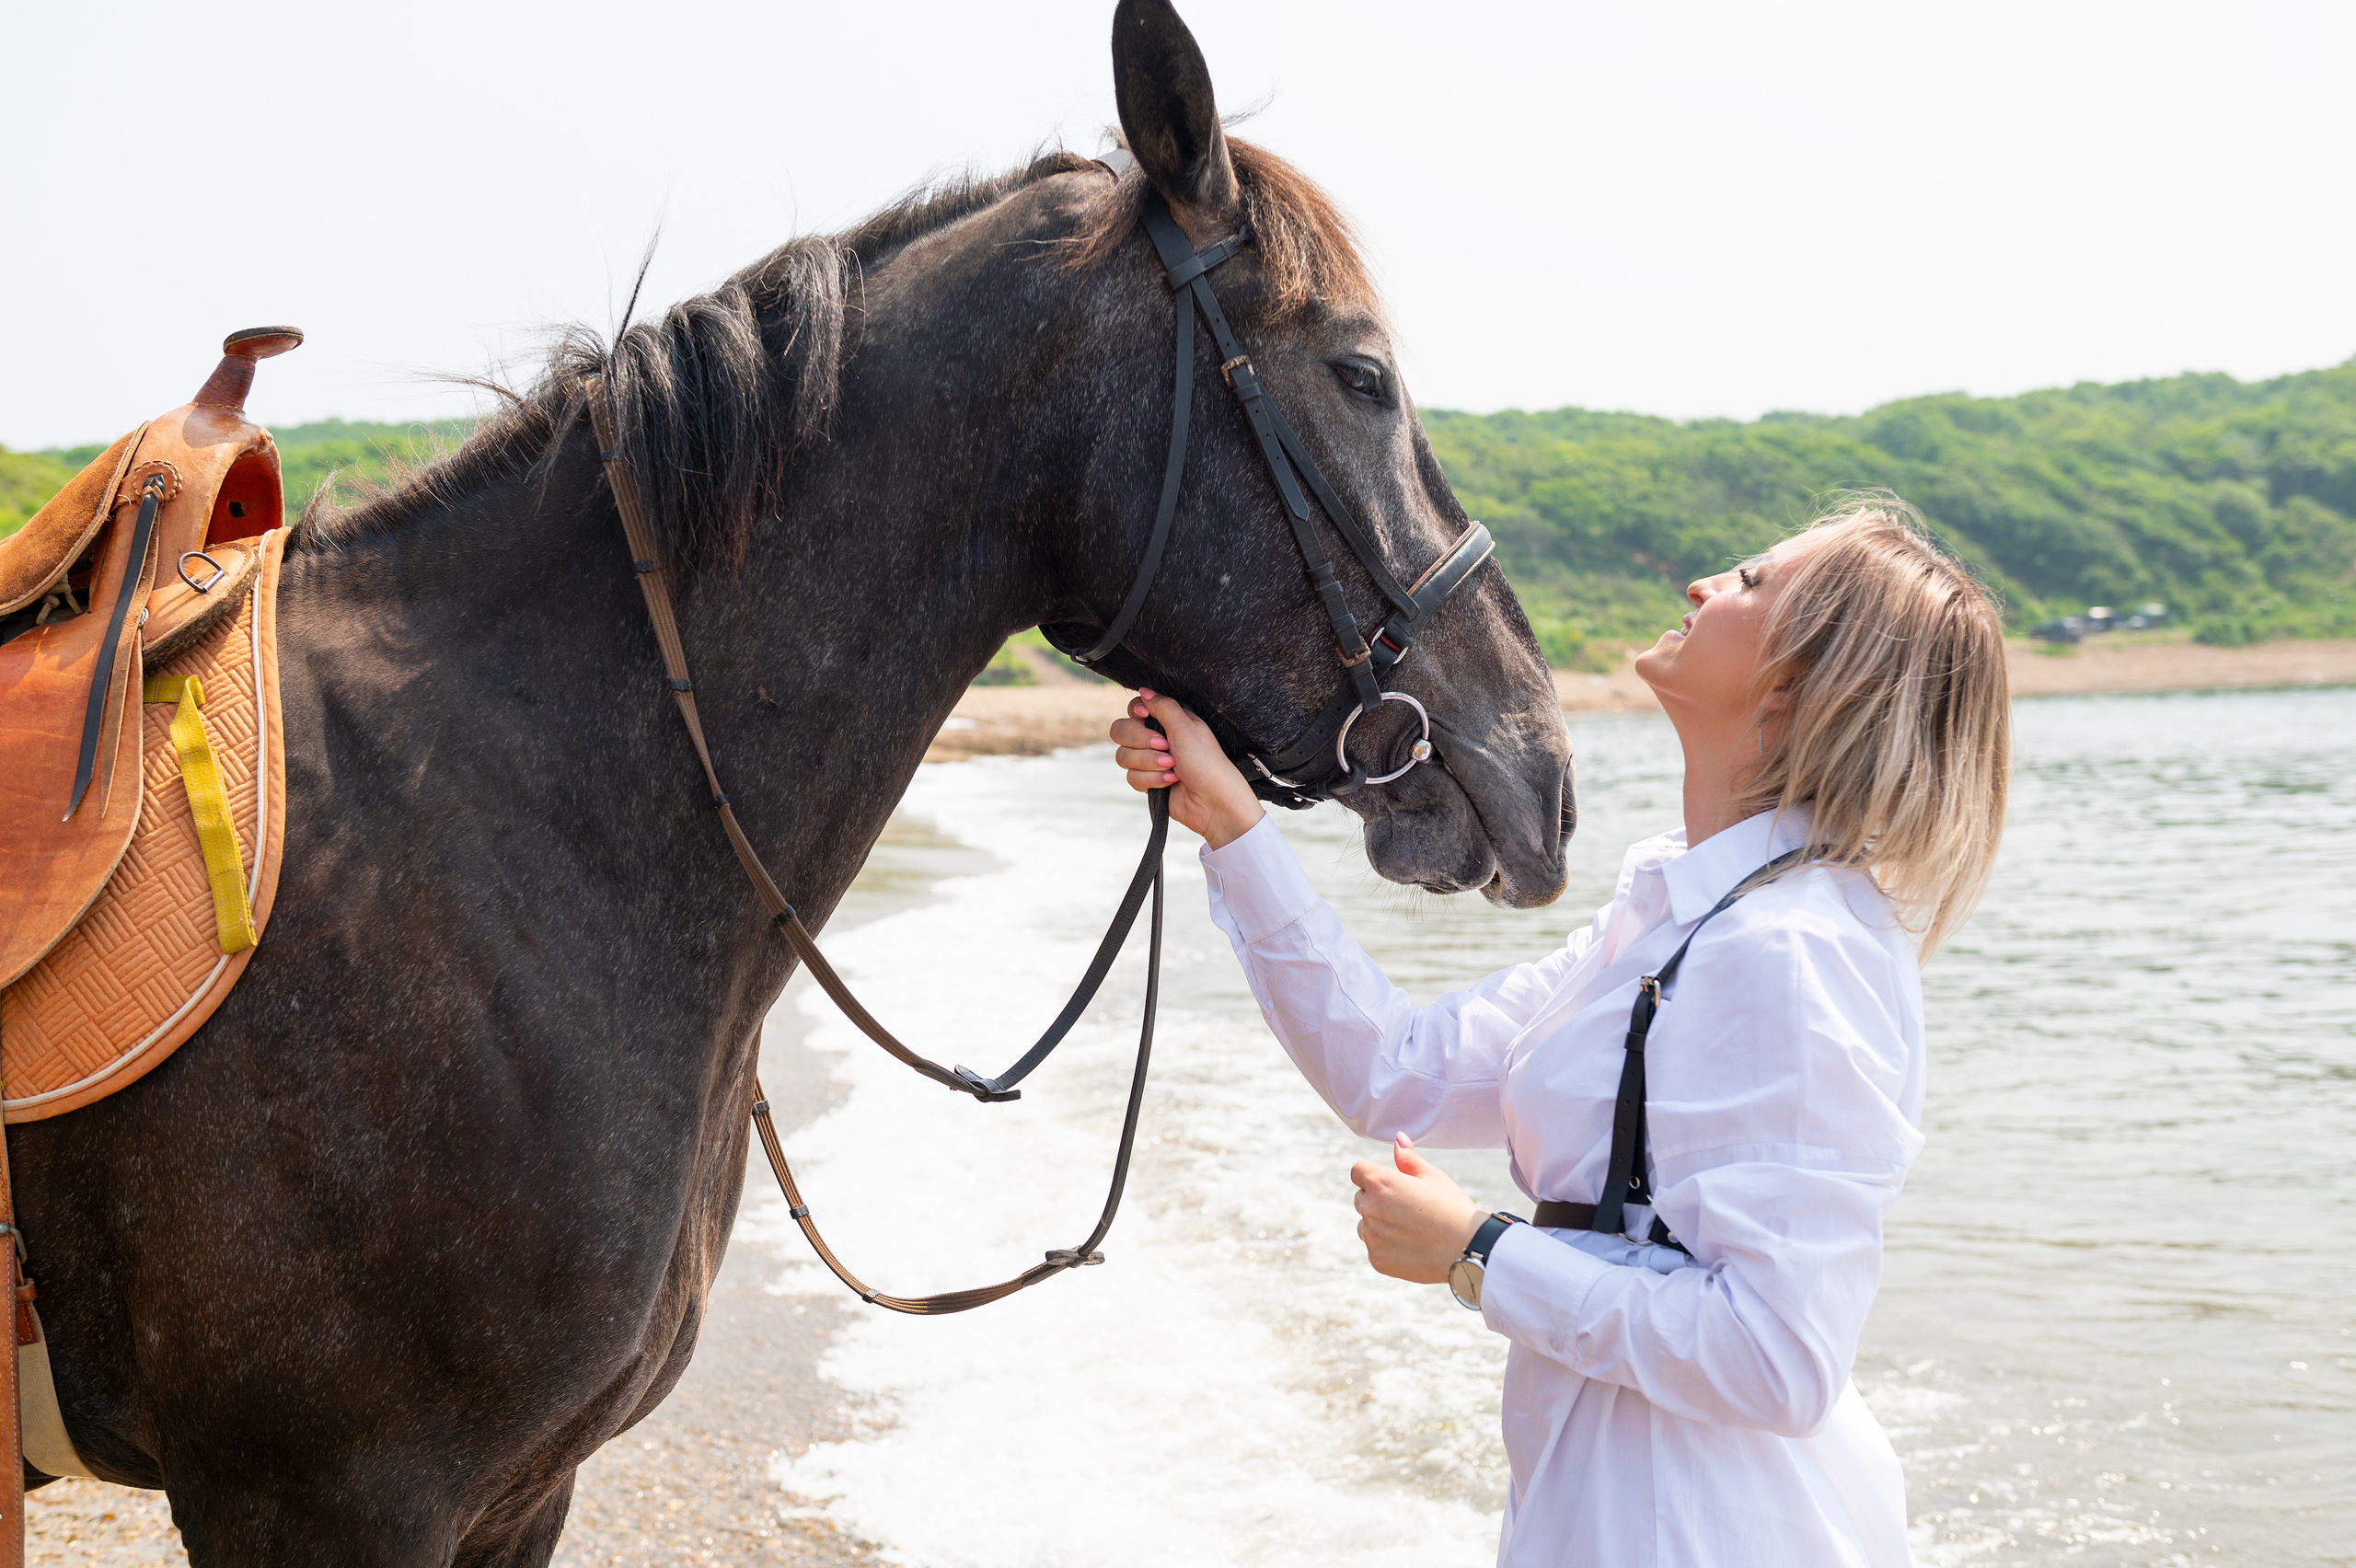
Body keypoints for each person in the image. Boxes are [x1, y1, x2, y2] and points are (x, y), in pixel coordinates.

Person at [1107, 499, 2009, 1566]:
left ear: (1809, 680)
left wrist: (1480, 1253)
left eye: (1753, 584)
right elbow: (1397, 1073)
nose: (1703, 585)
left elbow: (1779, 1358)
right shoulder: (1681, 912)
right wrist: (1236, 829)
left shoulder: (1792, 951)